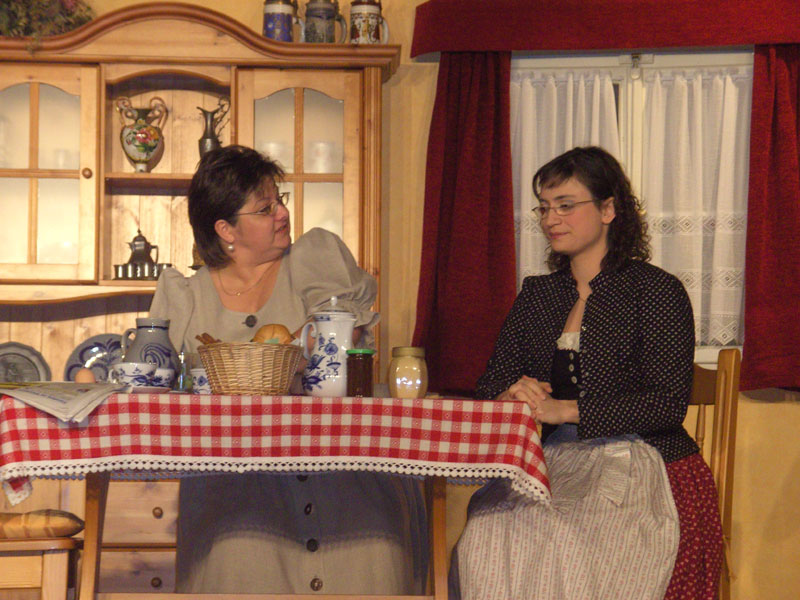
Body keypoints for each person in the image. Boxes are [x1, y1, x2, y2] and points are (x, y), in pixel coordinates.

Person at [149, 145, 427, 595]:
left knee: (373, 549)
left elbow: (343, 339)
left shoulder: (313, 258)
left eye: (280, 200)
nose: (282, 213)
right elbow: (157, 385)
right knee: (234, 553)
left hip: (342, 476)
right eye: (264, 209)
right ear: (225, 229)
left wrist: (298, 351)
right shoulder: (186, 296)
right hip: (237, 494)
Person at [450, 146, 722, 599]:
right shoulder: (538, 295)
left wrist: (565, 410)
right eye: (544, 207)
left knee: (572, 537)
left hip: (640, 459)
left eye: (565, 205)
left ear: (609, 209)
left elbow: (667, 404)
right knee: (486, 534)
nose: (551, 219)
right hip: (555, 461)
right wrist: (511, 395)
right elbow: (489, 387)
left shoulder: (655, 291)